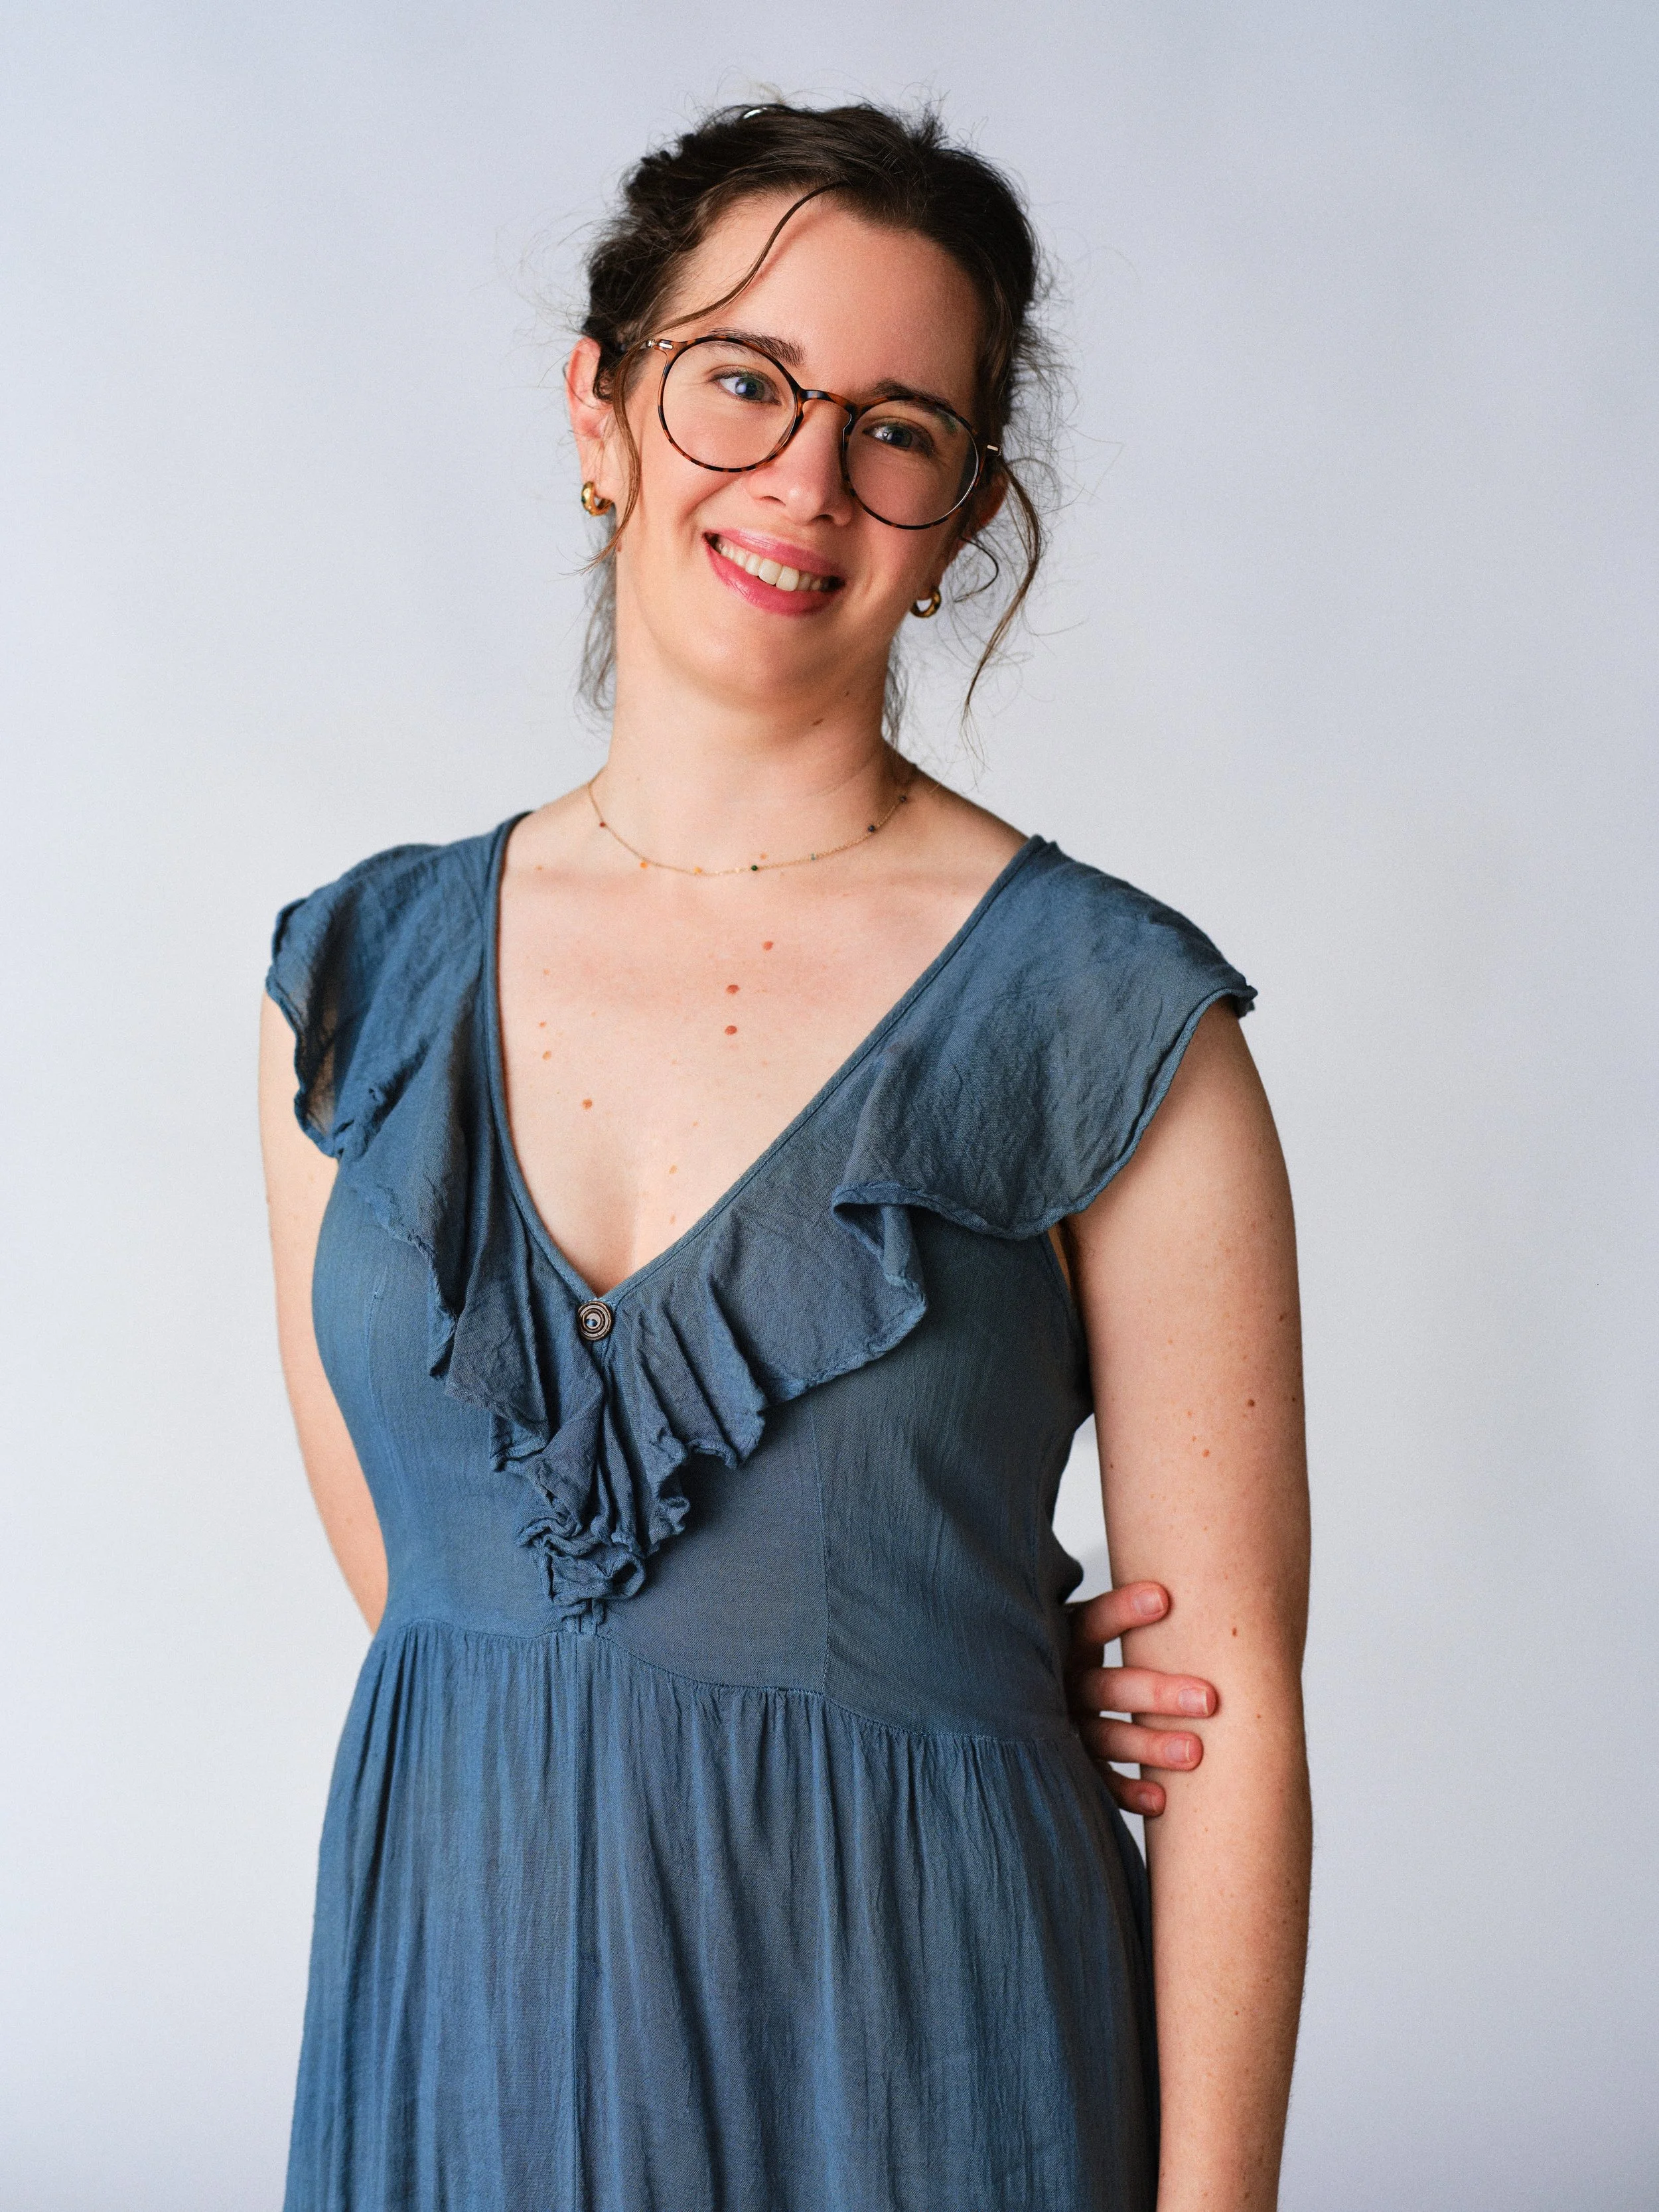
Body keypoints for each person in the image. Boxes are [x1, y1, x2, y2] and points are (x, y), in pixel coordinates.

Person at [259, 100, 1311, 2212]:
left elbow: (1228, 1731)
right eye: (741, 382)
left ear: (959, 518)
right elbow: (430, 1576)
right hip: (459, 2018)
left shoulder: (1109, 1018)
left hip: (921, 2049)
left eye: (896, 427)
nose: (803, 481)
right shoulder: (357, 983)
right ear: (603, 408)